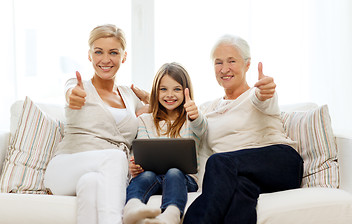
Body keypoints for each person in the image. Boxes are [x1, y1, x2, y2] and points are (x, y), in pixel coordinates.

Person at [182, 35, 304, 224]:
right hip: (241, 174)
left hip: (281, 163)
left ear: (247, 65)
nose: (224, 69)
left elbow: (264, 99)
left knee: (219, 162)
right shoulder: (209, 108)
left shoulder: (256, 95)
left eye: (232, 61)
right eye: (218, 62)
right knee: (241, 191)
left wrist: (266, 91)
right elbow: (198, 130)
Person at [44, 24, 146, 224]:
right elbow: (71, 92)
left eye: (113, 52)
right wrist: (73, 96)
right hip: (65, 169)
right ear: (90, 55)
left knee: (91, 184)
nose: (105, 59)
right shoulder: (77, 85)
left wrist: (148, 97)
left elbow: (162, 109)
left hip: (101, 175)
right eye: (98, 52)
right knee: (116, 158)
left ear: (124, 57)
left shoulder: (130, 96)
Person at [123, 62, 207, 224]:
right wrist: (135, 166)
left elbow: (202, 128)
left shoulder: (192, 119)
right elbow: (140, 152)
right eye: (163, 89)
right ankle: (132, 208)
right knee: (145, 175)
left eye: (176, 89)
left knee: (174, 172)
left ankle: (171, 214)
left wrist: (195, 115)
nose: (170, 95)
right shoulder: (144, 120)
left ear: (185, 91)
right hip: (152, 176)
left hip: (184, 179)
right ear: (155, 92)